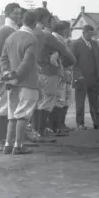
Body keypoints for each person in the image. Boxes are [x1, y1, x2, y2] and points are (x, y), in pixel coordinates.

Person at [31, 8, 76, 141]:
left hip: (36, 71)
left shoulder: (30, 33)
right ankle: (41, 130)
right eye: (50, 19)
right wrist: (59, 55)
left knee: (38, 101)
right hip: (49, 71)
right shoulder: (46, 35)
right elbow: (67, 54)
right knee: (48, 100)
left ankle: (37, 130)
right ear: (45, 19)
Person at [0, 10, 39, 155]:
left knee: (12, 114)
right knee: (22, 114)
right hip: (27, 82)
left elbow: (2, 58)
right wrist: (16, 75)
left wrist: (6, 73)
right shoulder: (32, 39)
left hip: (11, 82)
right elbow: (27, 63)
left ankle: (7, 145)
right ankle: (18, 146)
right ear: (35, 23)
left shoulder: (10, 37)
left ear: (22, 21)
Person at [0, 2, 22, 151]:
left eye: (19, 13)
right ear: (7, 13)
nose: (18, 15)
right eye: (15, 13)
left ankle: (8, 139)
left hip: (13, 73)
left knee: (12, 105)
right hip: (6, 73)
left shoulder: (14, 29)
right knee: (3, 106)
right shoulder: (4, 30)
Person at [71, 25, 99, 130]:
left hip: (94, 78)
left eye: (92, 34)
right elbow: (73, 62)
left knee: (95, 103)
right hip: (81, 79)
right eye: (88, 34)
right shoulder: (75, 44)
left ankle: (97, 122)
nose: (90, 36)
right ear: (83, 32)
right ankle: (80, 124)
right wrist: (78, 76)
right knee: (80, 103)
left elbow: (98, 60)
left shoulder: (94, 43)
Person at [52, 21, 73, 132]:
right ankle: (56, 126)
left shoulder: (63, 40)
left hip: (67, 72)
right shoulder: (55, 39)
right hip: (61, 73)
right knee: (59, 99)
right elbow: (59, 58)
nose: (70, 31)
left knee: (66, 99)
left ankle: (61, 124)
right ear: (63, 29)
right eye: (69, 29)